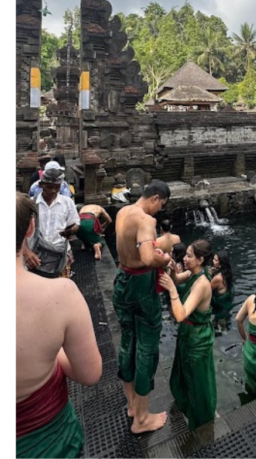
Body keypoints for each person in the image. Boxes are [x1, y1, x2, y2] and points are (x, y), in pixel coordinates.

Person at [16, 193, 101, 458]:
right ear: (31, 227)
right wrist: (49, 351)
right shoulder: (62, 294)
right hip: (47, 441)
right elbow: (90, 374)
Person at [112, 179, 172, 433]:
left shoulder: (122, 212)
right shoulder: (147, 221)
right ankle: (142, 418)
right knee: (147, 347)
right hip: (141, 288)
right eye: (162, 205)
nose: (160, 211)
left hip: (122, 282)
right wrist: (166, 256)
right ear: (155, 198)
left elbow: (134, 250)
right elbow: (148, 257)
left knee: (128, 341)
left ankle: (132, 406)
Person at [159, 239, 216, 431]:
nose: (185, 258)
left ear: (200, 260)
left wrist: (172, 291)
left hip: (196, 338)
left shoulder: (201, 283)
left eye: (189, 255)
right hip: (189, 334)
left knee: (197, 380)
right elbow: (176, 279)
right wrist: (174, 271)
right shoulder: (194, 273)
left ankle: (202, 421)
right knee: (186, 374)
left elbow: (180, 314)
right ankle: (187, 405)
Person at [24, 166, 79, 278]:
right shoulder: (30, 204)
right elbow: (19, 232)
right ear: (41, 185)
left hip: (60, 254)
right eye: (49, 187)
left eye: (56, 187)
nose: (53, 191)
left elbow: (75, 223)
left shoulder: (67, 203)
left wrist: (71, 230)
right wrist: (26, 252)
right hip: (35, 255)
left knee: (60, 291)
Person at [210, 249, 235, 324]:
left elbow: (206, 290)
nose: (213, 261)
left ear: (221, 263)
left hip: (220, 309)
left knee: (219, 326)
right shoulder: (227, 273)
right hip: (227, 305)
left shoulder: (218, 278)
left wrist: (209, 275)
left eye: (216, 260)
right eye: (213, 259)